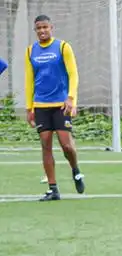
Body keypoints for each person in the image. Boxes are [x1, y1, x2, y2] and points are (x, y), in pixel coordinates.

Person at [24, 15, 85, 201]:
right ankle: (53, 189)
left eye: (45, 27)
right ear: (35, 30)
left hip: (61, 104)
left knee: (66, 145)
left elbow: (73, 74)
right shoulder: (30, 51)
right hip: (41, 105)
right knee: (46, 145)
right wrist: (29, 108)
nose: (42, 31)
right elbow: (29, 81)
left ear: (51, 27)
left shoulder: (63, 47)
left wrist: (71, 99)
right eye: (38, 28)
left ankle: (75, 169)